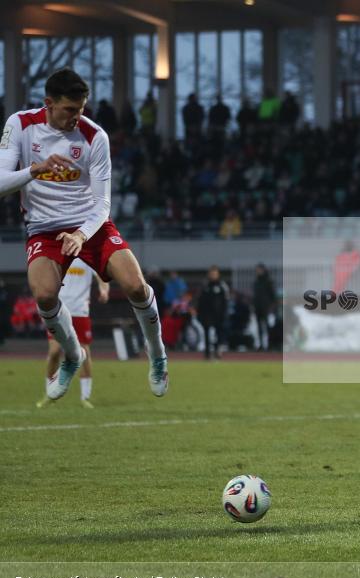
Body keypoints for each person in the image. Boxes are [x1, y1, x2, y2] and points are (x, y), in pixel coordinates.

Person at [0, 68, 167, 399]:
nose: (78, 116)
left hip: (90, 225)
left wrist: (81, 234)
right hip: (44, 229)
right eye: (70, 110)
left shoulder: (95, 137)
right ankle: (73, 356)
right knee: (45, 295)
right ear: (49, 103)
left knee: (135, 284)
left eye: (82, 109)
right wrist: (35, 169)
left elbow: (103, 203)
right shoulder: (19, 125)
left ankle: (157, 353)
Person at [37, 258, 109, 408]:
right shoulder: (59, 254)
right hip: (58, 309)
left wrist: (104, 290)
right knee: (54, 351)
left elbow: (102, 277)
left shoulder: (88, 255)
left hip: (80, 310)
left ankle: (85, 397)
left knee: (84, 352)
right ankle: (50, 393)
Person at [197, 265, 229, 360]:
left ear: (218, 274)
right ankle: (207, 354)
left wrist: (224, 313)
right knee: (207, 334)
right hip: (207, 315)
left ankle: (218, 352)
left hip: (219, 315)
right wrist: (200, 313)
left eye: (215, 274)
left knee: (219, 334)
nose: (213, 275)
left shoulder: (222, 286)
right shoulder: (205, 285)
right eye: (212, 274)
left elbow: (225, 301)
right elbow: (200, 300)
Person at [252, 263, 276, 351]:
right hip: (258, 308)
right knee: (259, 327)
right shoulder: (256, 282)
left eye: (259, 270)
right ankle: (261, 345)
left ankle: (270, 344)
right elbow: (255, 296)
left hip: (266, 308)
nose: (258, 272)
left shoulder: (268, 281)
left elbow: (272, 295)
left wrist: (271, 307)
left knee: (267, 327)